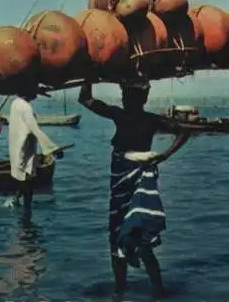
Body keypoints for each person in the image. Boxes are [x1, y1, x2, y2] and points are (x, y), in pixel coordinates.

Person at [78, 81, 190, 299]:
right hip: (124, 181)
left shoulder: (126, 116)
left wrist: (88, 78)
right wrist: (165, 155)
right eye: (124, 94)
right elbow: (183, 132)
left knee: (130, 236)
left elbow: (85, 99)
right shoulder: (141, 118)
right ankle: (137, 291)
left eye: (126, 94)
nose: (123, 98)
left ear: (137, 98)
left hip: (136, 179)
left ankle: (136, 291)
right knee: (127, 237)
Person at [8, 84, 63, 218]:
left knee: (22, 177)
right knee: (28, 185)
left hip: (17, 149)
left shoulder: (15, 103)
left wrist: (37, 89)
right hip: (25, 151)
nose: (36, 95)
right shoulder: (26, 108)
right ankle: (27, 220)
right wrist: (53, 149)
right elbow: (35, 130)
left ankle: (14, 201)